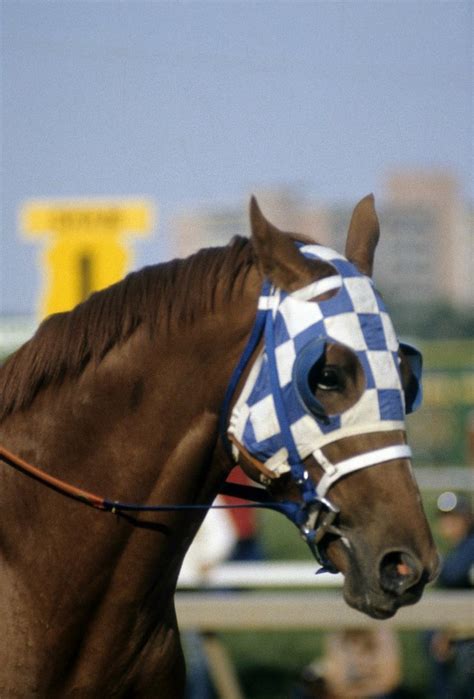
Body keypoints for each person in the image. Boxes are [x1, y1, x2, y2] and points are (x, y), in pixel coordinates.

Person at [426, 490, 474, 699]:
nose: (449, 523)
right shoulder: (458, 549)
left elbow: (454, 573)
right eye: (445, 518)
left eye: (455, 517)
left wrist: (449, 632)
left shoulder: (470, 547)